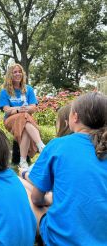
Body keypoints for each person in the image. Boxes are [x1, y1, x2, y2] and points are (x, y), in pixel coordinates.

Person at [26, 92, 107, 245]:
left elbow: (36, 198)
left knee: (24, 191)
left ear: (75, 117)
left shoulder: (58, 146)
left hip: (62, 240)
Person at [0, 63, 45, 169]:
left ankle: (23, 161)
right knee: (23, 116)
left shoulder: (28, 89)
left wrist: (24, 109)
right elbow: (6, 110)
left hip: (25, 119)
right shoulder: (5, 91)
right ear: (10, 75)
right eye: (15, 72)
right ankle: (41, 145)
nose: (18, 74)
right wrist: (19, 110)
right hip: (10, 120)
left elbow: (33, 107)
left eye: (19, 72)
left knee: (24, 126)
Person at [19, 103, 72, 182]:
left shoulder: (56, 144)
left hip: (53, 190)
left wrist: (23, 173)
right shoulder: (91, 143)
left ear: (65, 123)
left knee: (19, 181)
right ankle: (40, 145)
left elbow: (38, 181)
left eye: (56, 121)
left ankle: (40, 146)